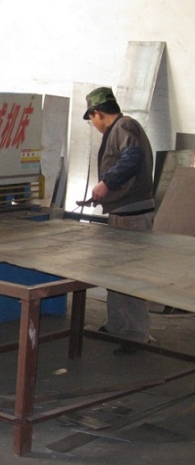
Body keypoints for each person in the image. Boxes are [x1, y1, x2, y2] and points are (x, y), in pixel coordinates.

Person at [83, 86, 155, 355]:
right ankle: (117, 326)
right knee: (116, 273)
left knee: (129, 276)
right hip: (123, 211)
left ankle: (135, 334)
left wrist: (106, 184)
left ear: (97, 113)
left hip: (132, 215)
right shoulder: (120, 129)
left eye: (91, 119)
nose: (93, 125)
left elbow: (132, 158)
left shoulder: (124, 126)